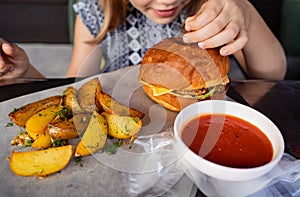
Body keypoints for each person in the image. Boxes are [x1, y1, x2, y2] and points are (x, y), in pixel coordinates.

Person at [0, 0, 286, 81]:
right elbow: (75, 89)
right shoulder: (95, 11)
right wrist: (26, 75)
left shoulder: (216, 8)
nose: (168, 1)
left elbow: (271, 76)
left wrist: (246, 13)